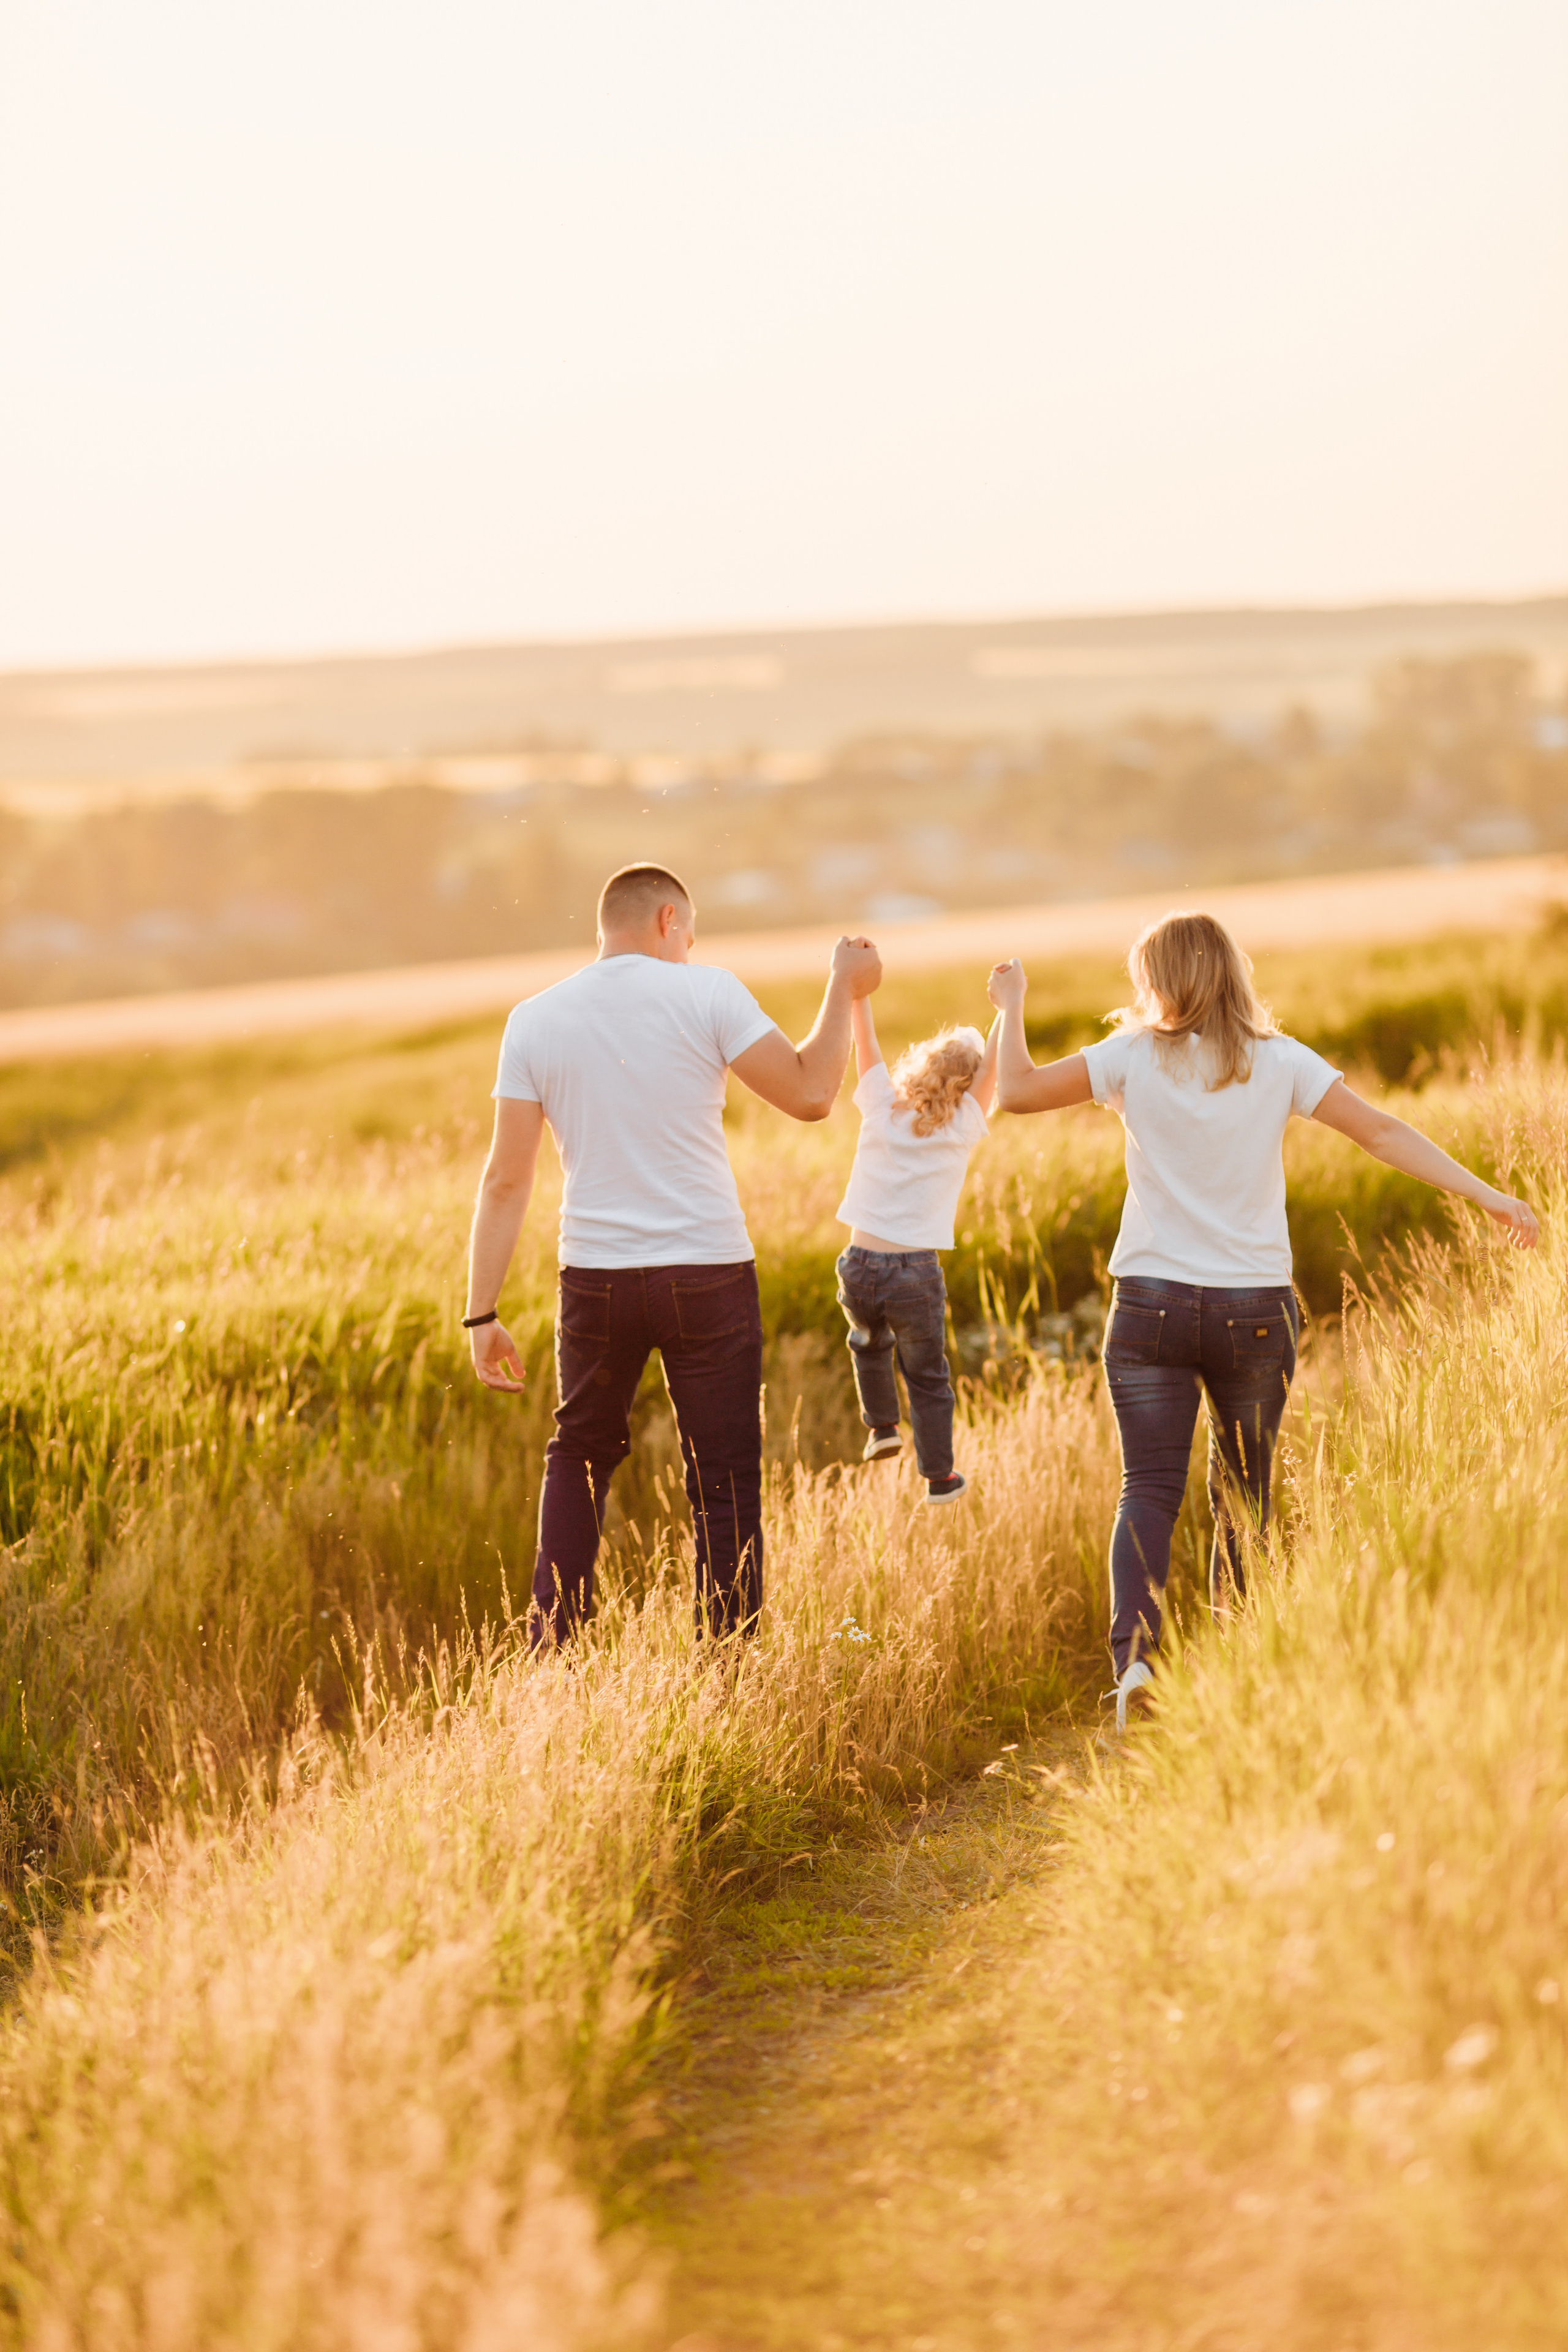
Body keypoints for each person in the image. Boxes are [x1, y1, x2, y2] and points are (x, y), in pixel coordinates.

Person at [987, 910, 1539, 1731]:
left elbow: (1018, 1092)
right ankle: (1234, 1672)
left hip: (1149, 1308)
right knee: (1243, 1492)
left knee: (1149, 1489)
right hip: (1253, 1311)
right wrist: (1490, 1197)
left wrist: (1010, 1006)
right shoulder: (1280, 1062)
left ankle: (1136, 1666)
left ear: (1161, 982)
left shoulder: (1131, 1057)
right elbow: (1382, 1133)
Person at [464, 862, 880, 1646]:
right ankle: (726, 1667)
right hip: (708, 1274)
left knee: (579, 1455)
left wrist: (481, 1312)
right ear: (666, 921)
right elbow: (812, 1095)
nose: (690, 948)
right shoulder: (708, 992)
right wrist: (843, 987)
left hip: (594, 1280)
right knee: (722, 1476)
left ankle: (554, 1650)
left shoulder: (534, 1019)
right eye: (688, 933)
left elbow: (504, 1180)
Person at [834, 996, 997, 1502]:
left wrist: (858, 996)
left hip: (858, 1264)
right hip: (915, 1274)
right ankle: (939, 1478)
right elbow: (996, 1067)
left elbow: (866, 1042)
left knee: (867, 1343)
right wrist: (1008, 1008)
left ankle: (882, 1426)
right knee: (927, 1377)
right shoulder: (963, 1123)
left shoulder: (881, 1102)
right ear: (969, 1088)